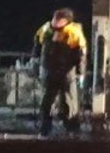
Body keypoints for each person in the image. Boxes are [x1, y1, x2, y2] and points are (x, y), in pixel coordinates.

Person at [33, 8, 86, 136]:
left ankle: (72, 128)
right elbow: (37, 49)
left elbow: (81, 55)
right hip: (48, 71)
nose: (55, 21)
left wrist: (80, 73)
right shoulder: (45, 30)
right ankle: (45, 128)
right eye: (55, 18)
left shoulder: (74, 33)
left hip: (66, 73)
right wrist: (36, 66)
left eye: (59, 19)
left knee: (69, 101)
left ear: (66, 21)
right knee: (47, 101)